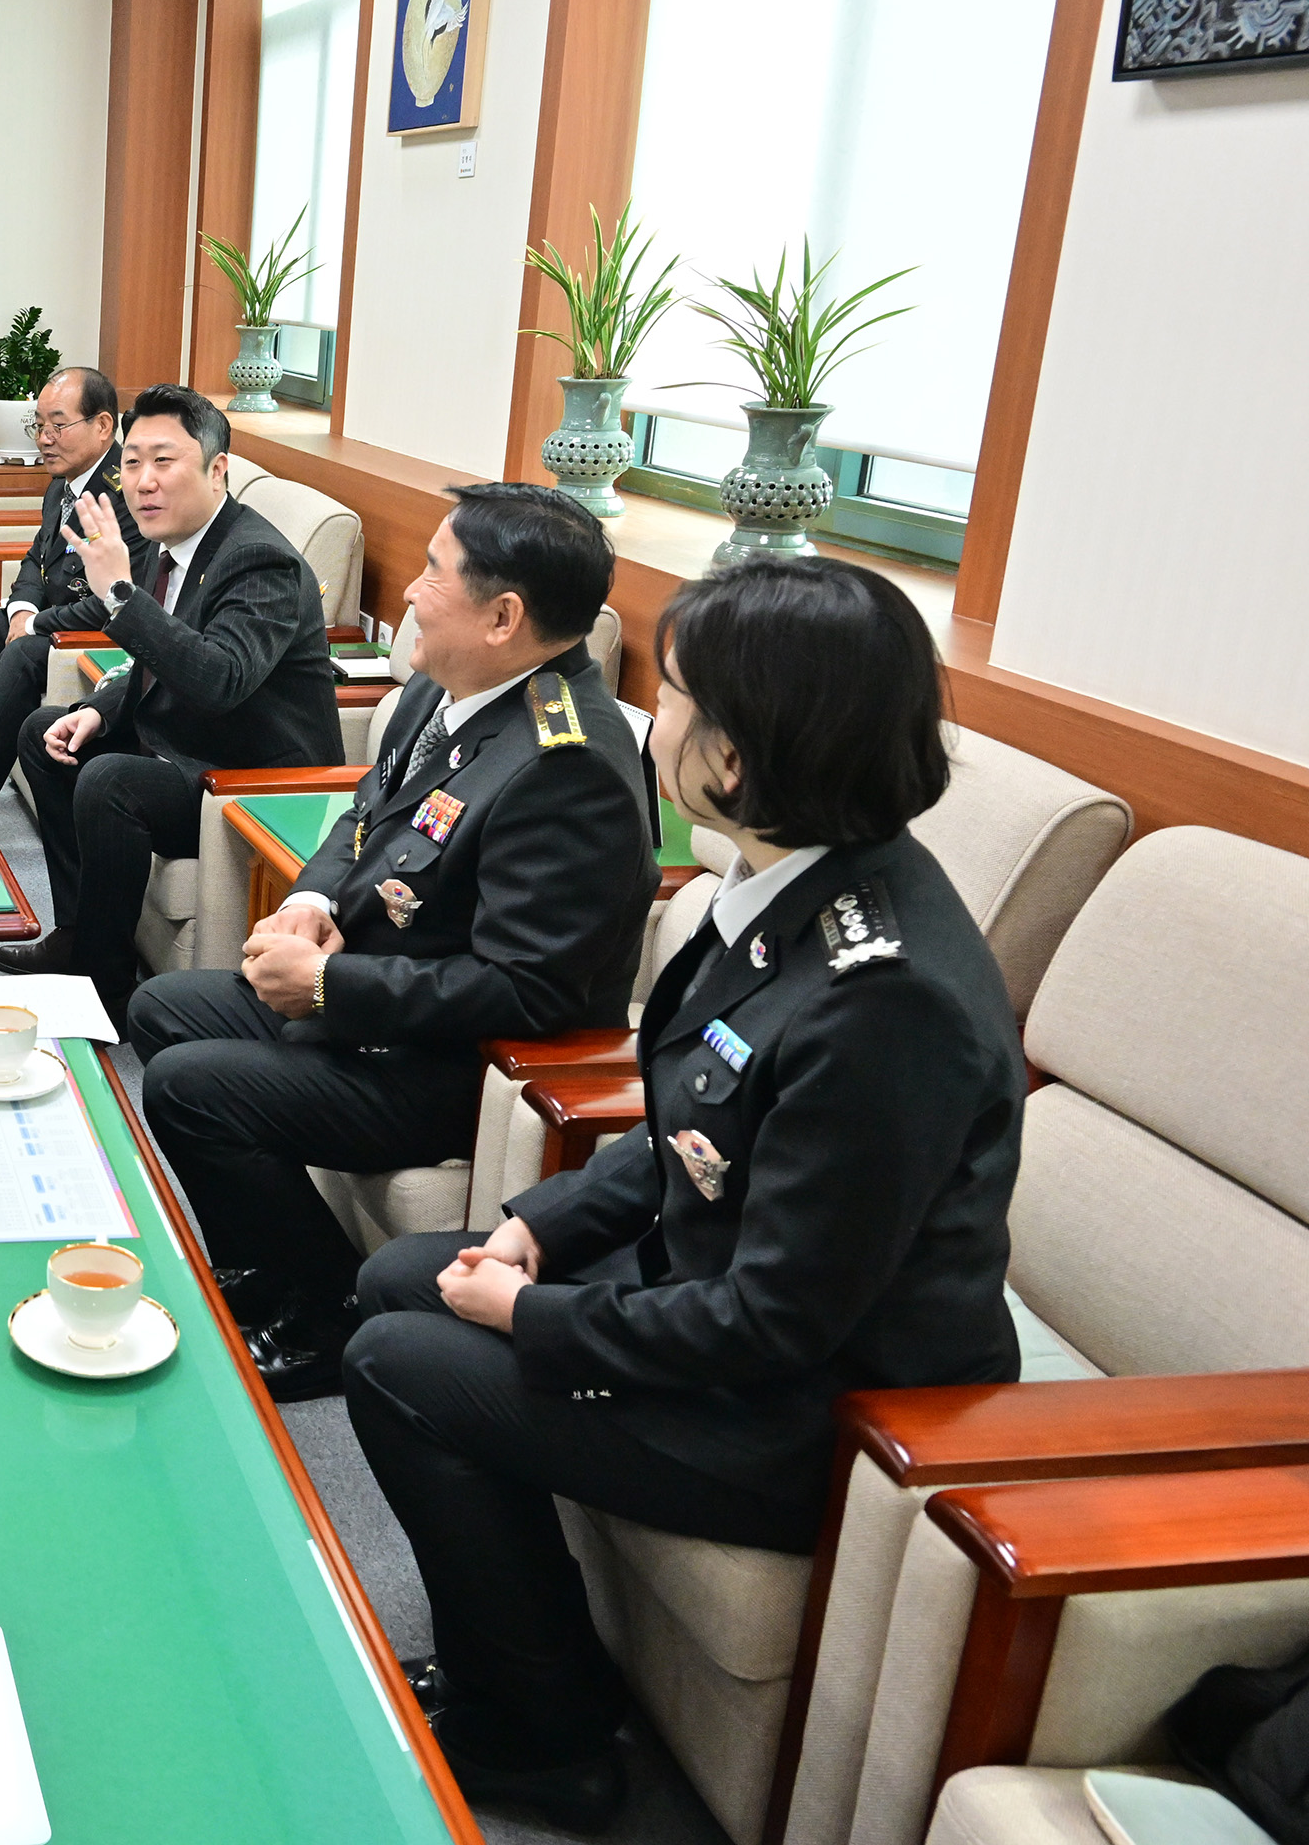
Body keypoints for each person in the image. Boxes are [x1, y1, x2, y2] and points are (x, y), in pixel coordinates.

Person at [342, 557, 1022, 1829]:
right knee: (398, 1274)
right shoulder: (781, 890)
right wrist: (536, 1231)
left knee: (393, 1359)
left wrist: (530, 1320)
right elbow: (685, 1138)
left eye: (681, 695)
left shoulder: (888, 1000)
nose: (651, 718)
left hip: (813, 1413)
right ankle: (525, 1651)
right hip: (713, 1298)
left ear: (742, 756)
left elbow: (779, 1324)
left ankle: (546, 1737)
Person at [127, 482, 655, 1399]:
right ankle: (267, 1268)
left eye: (434, 574)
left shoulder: (566, 765)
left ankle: (330, 1313)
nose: (408, 591)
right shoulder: (441, 688)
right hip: (374, 989)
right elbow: (363, 816)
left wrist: (332, 986)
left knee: (188, 1089)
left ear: (503, 616)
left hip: (454, 1066)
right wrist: (312, 901)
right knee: (163, 1005)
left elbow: (530, 994)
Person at [0, 383, 342, 1012]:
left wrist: (122, 595)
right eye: (131, 462)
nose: (143, 481)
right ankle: (78, 935)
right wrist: (99, 709)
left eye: (164, 460)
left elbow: (218, 679)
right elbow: (153, 660)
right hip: (184, 742)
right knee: (46, 733)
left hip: (246, 776)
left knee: (109, 782)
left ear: (217, 469)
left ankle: (101, 991)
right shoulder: (168, 545)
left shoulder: (259, 560)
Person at [0, 366, 141, 803]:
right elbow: (37, 558)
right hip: (54, 621)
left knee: (23, 650)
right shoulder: (63, 484)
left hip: (101, 633)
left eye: (58, 425)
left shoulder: (127, 495)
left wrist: (36, 625)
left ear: (102, 426)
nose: (43, 438)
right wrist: (22, 610)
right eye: (38, 425)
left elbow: (116, 600)